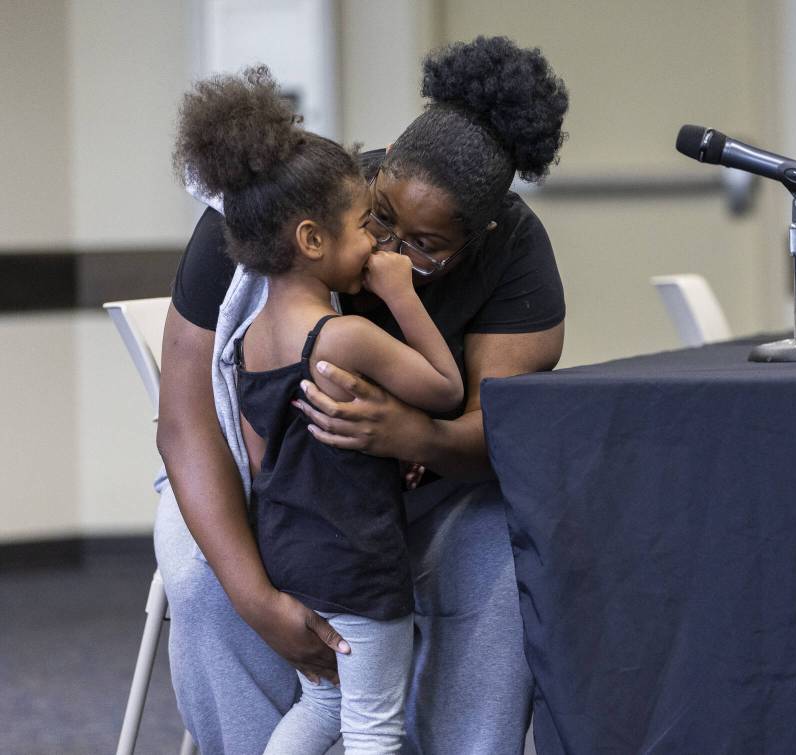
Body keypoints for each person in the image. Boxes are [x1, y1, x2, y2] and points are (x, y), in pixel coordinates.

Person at [155, 35, 568, 755]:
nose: (391, 253)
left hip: (417, 491)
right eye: (379, 219)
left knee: (506, 563)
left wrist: (414, 437)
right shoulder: (280, 206)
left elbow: (504, 427)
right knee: (200, 582)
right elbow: (188, 425)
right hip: (259, 473)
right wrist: (257, 597)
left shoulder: (516, 251)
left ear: (483, 230)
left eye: (429, 246)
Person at [172, 65, 466, 753]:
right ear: (311, 239)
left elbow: (261, 452)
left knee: (325, 702)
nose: (378, 244)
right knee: (374, 727)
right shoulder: (347, 334)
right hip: (358, 562)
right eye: (366, 225)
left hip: (290, 554)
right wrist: (401, 294)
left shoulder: (245, 342)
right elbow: (446, 389)